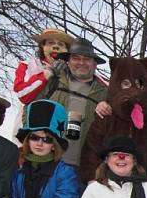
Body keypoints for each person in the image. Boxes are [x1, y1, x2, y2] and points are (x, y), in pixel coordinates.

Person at [79, 56, 147, 185]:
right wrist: (93, 180)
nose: (133, 89)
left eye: (139, 84)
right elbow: (91, 151)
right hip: (106, 185)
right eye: (126, 84)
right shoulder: (107, 116)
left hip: (138, 186)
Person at [36, 37, 109, 168]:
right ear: (68, 62)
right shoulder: (53, 83)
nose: (81, 63)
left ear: (94, 64)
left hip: (88, 167)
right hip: (50, 163)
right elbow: (30, 109)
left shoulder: (106, 92)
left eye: (87, 59)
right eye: (76, 58)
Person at [13, 28, 72, 105]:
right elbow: (22, 94)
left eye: (61, 44)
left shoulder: (74, 71)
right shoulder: (28, 65)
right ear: (42, 46)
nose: (56, 47)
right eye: (51, 43)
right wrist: (46, 75)